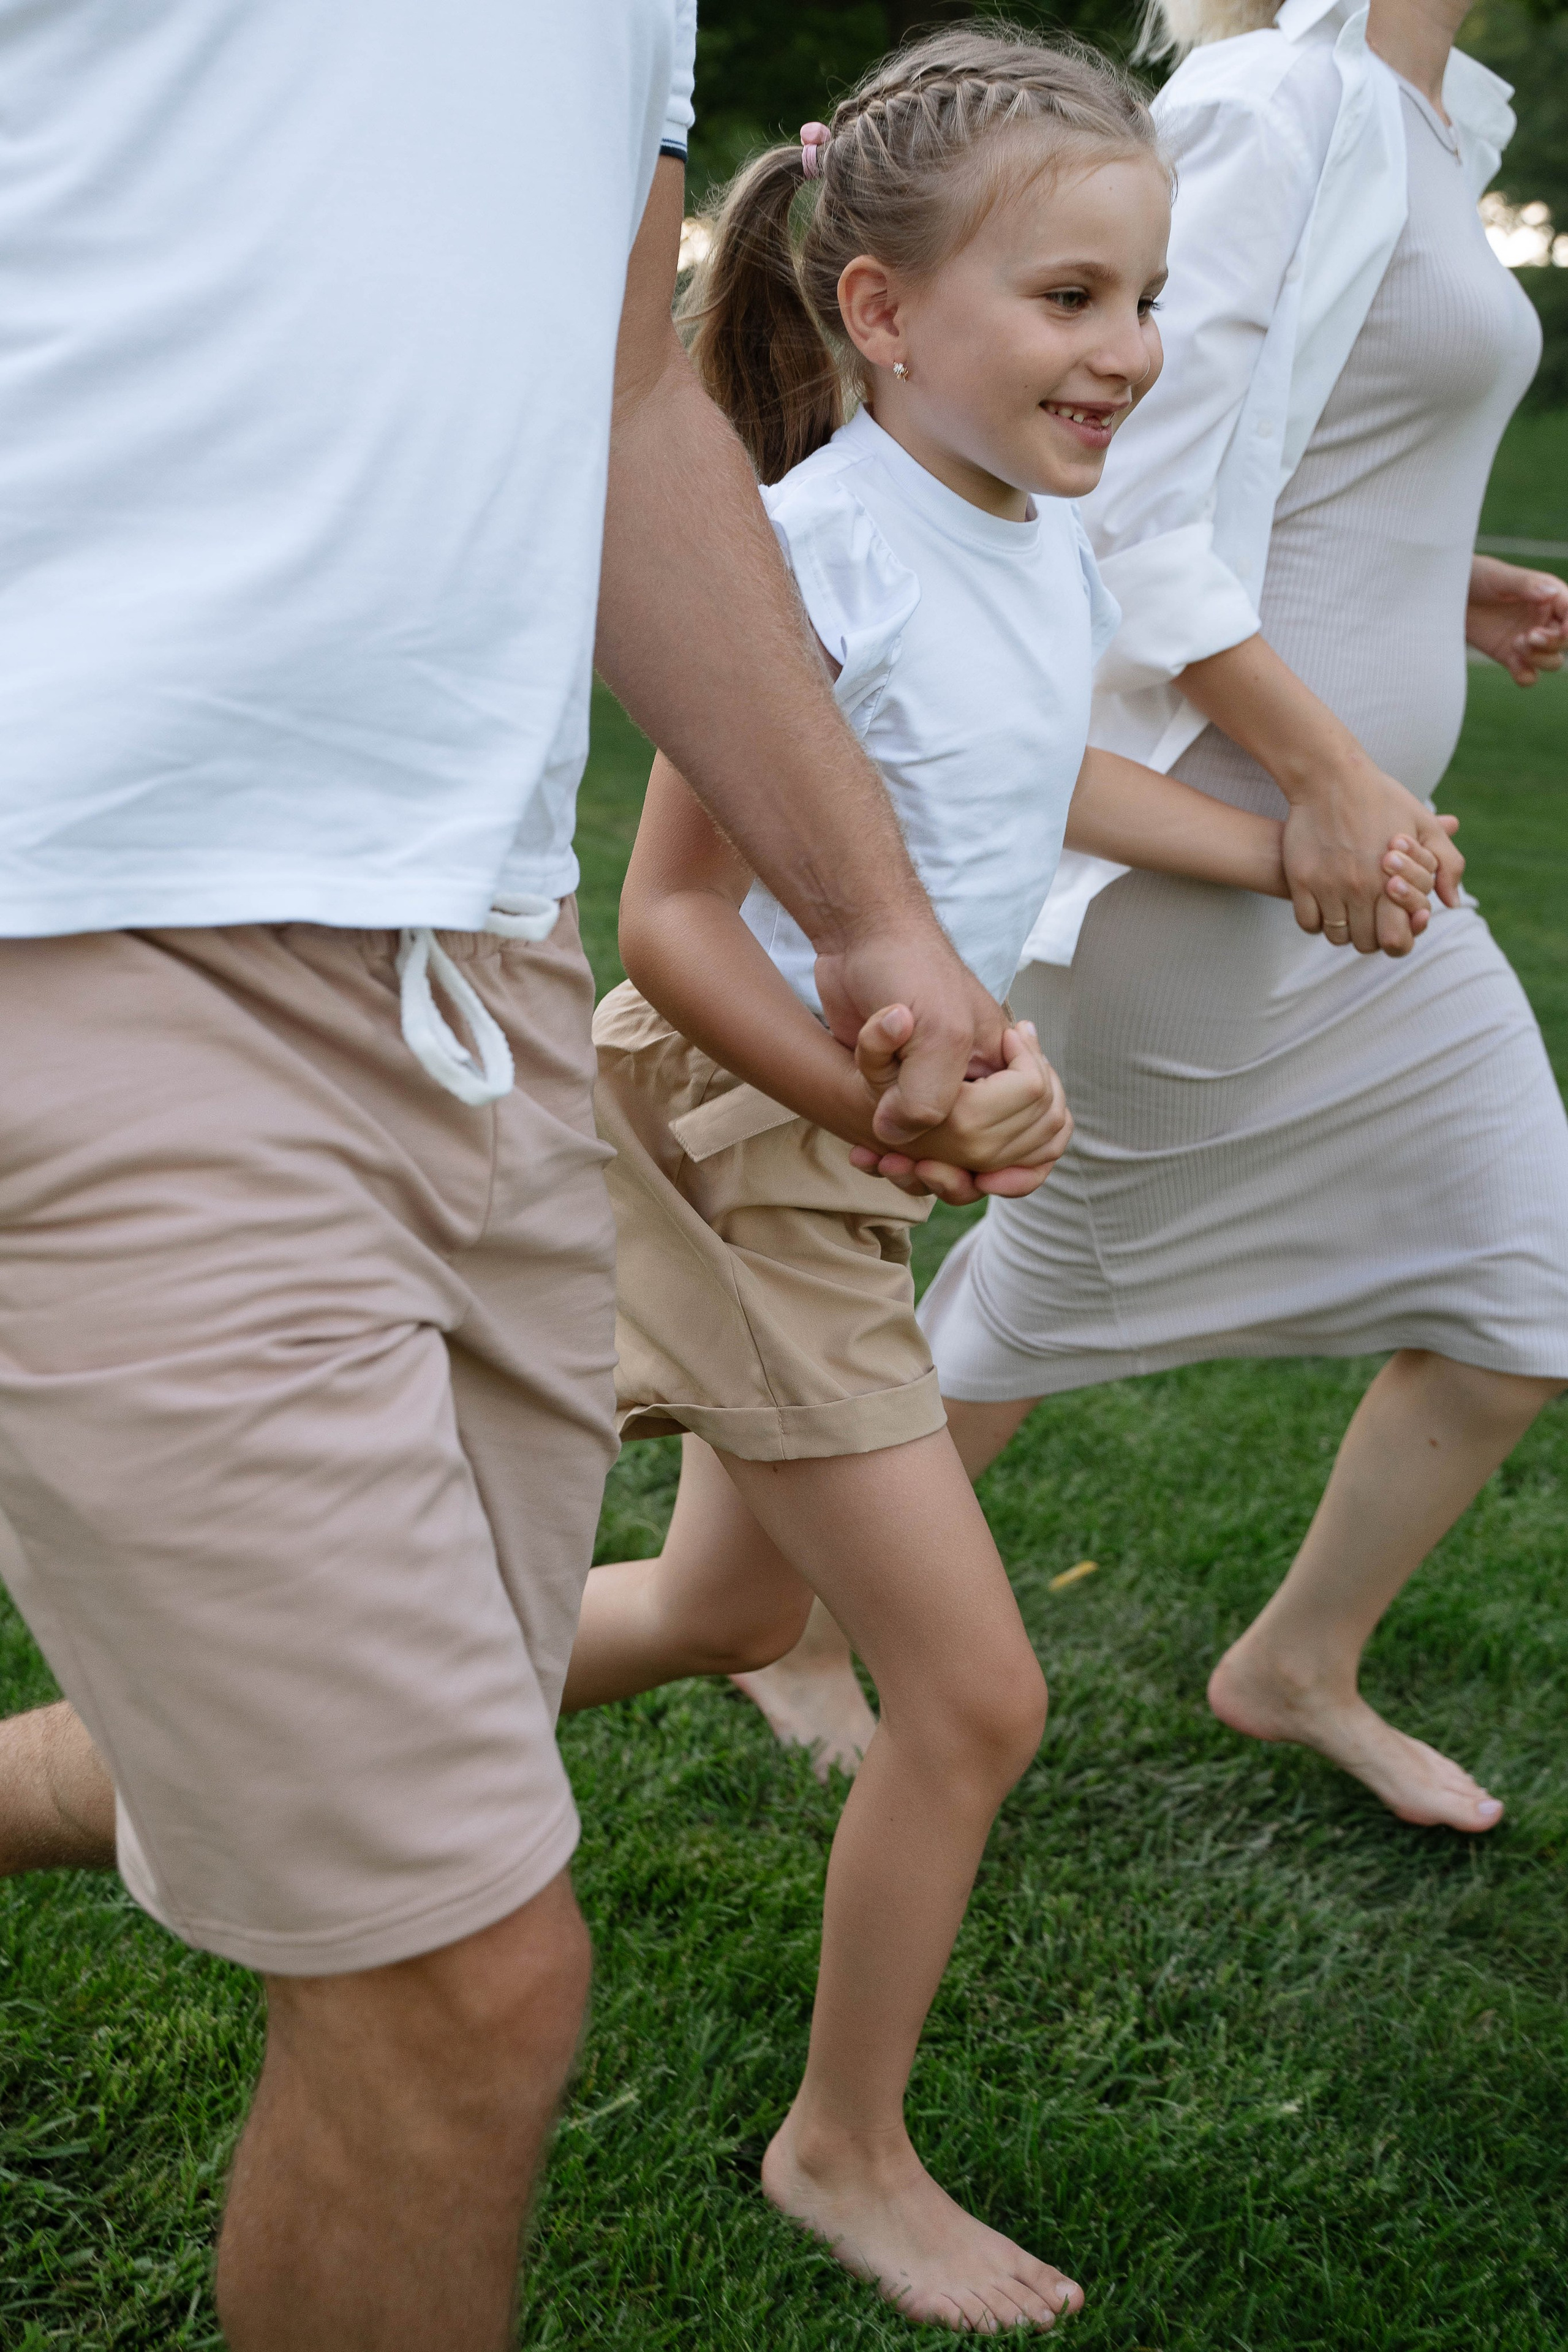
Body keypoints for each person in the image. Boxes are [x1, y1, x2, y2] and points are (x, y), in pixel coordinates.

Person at [0, 7, 1023, 2346]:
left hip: (473, 979)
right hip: (71, 922)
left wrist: (871, 915)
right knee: (467, 1974)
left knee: (417, 1748)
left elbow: (625, 406)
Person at [560, 29, 1436, 2331]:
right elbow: (660, 928)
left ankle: (301, 1744)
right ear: (879, 312)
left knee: (730, 1618)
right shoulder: (800, 556)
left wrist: (1281, 848)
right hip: (744, 1142)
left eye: (1141, 300)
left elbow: (1029, 777)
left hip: (841, 1147)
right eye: (1069, 301)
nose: (1130, 352)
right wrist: (890, 1096)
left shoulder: (1027, 537)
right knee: (975, 1696)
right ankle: (841, 2148)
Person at [791, 0, 1568, 1834]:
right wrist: (1321, 775)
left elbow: (1272, 448)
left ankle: (1295, 1663)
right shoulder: (1270, 98)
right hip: (1223, 828)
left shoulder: (1427, 114)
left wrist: (1429, 577)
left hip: (1365, 849)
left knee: (1527, 1277)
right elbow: (1115, 488)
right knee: (1056, 1280)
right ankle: (792, 1624)